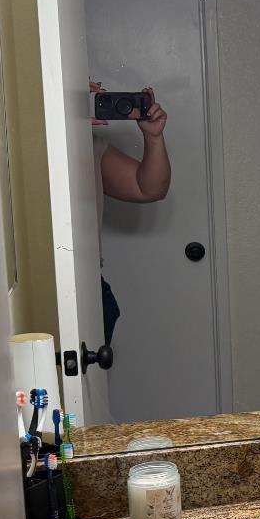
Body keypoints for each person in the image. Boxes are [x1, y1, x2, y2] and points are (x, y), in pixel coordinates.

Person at [89, 83, 171, 345]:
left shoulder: (89, 145)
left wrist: (153, 137)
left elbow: (148, 189)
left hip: (90, 286)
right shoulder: (30, 135)